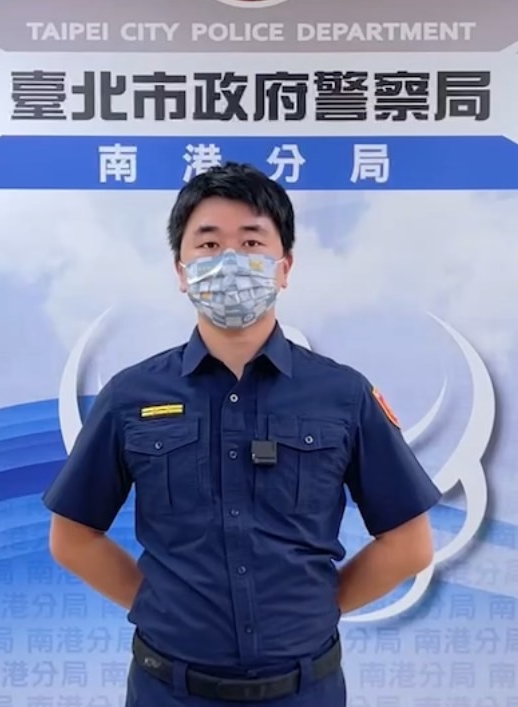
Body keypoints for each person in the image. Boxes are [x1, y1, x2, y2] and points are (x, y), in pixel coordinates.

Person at [43, 162, 442, 705]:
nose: (230, 261)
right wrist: (161, 607)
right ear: (181, 270)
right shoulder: (130, 395)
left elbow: (408, 544)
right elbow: (72, 537)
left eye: (252, 241)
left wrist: (316, 610)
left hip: (305, 690)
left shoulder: (343, 395)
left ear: (284, 267)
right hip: (169, 690)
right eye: (208, 244)